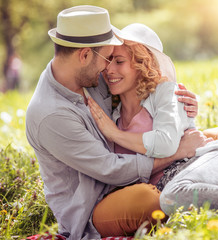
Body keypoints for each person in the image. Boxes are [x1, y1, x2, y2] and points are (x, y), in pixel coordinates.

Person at [88, 23, 218, 236]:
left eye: (119, 61)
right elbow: (129, 171)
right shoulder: (114, 115)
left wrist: (115, 134)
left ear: (141, 64)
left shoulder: (164, 92)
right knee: (173, 200)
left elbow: (165, 143)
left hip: (209, 166)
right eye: (108, 61)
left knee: (173, 195)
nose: (109, 69)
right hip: (188, 190)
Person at [25, 6, 208, 240]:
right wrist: (175, 153)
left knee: (215, 138)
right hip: (94, 208)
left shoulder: (88, 74)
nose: (108, 68)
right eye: (106, 58)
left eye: (113, 59)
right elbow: (109, 169)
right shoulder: (49, 115)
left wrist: (179, 103)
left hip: (130, 176)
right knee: (148, 200)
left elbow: (138, 75)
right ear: (84, 56)